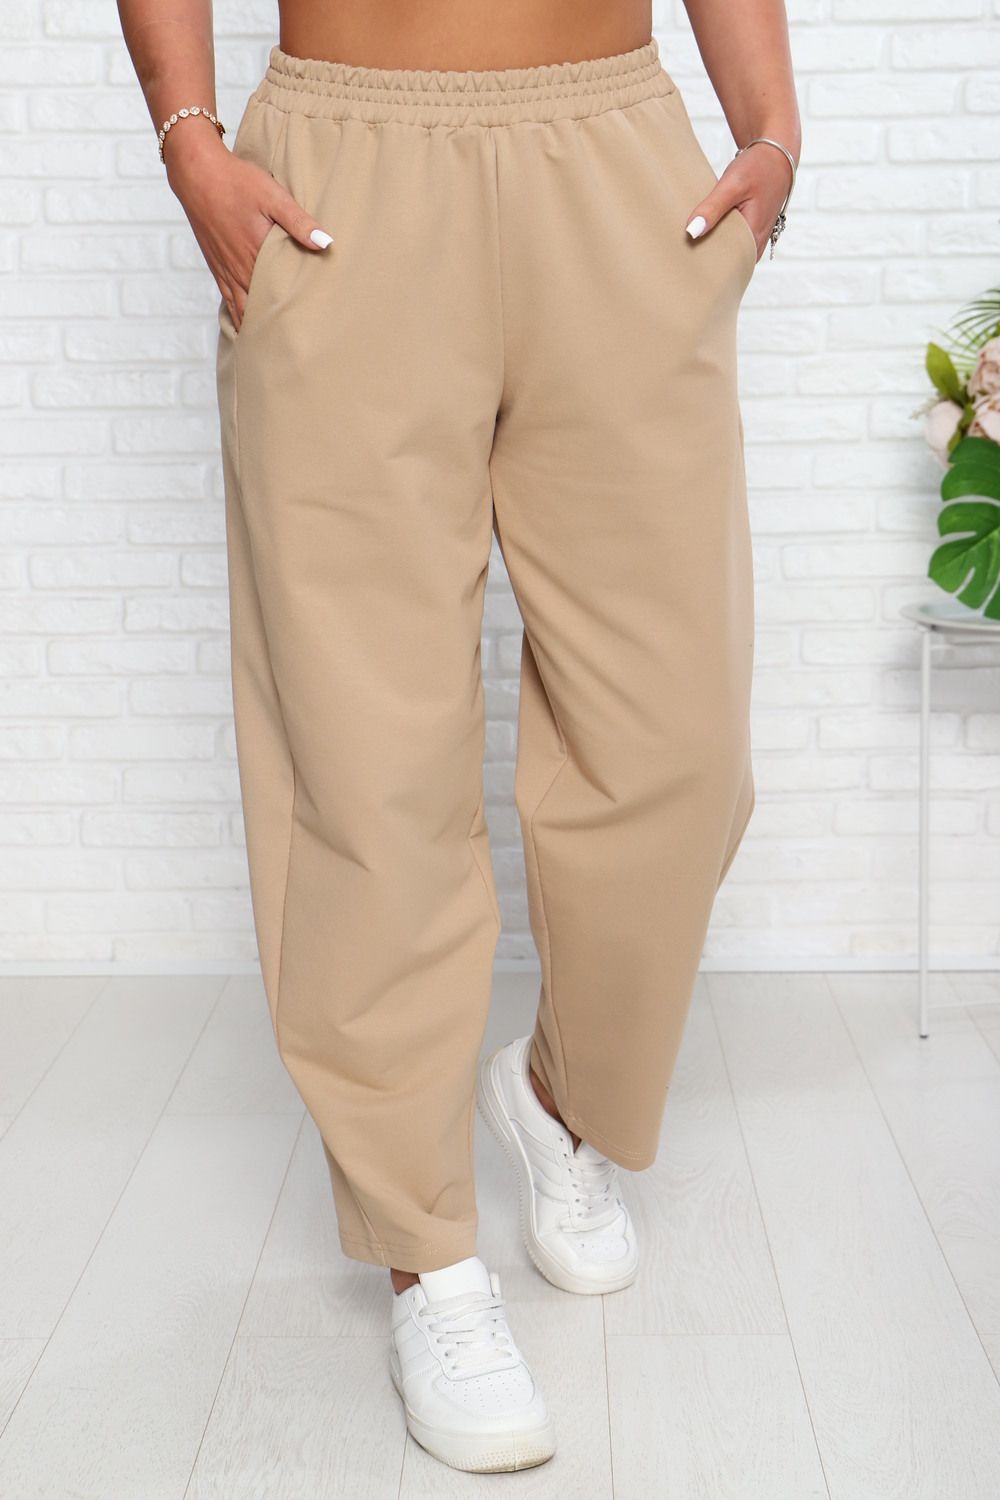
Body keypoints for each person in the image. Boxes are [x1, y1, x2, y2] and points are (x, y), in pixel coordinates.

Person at [118, 0, 800, 1474]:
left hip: (617, 164)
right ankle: (427, 1255)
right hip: (343, 175)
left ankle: (559, 1101)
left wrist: (773, 132)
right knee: (365, 754)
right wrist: (188, 144)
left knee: (677, 743)